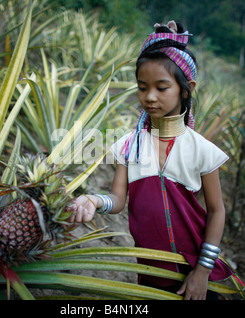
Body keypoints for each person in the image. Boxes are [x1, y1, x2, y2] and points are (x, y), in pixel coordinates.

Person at [69, 20, 233, 300]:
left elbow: (217, 211)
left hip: (194, 272)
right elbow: (118, 200)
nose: (150, 97)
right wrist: (94, 201)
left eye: (161, 87)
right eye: (142, 87)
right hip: (151, 274)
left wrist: (203, 271)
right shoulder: (129, 145)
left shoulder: (202, 150)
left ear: (185, 88)